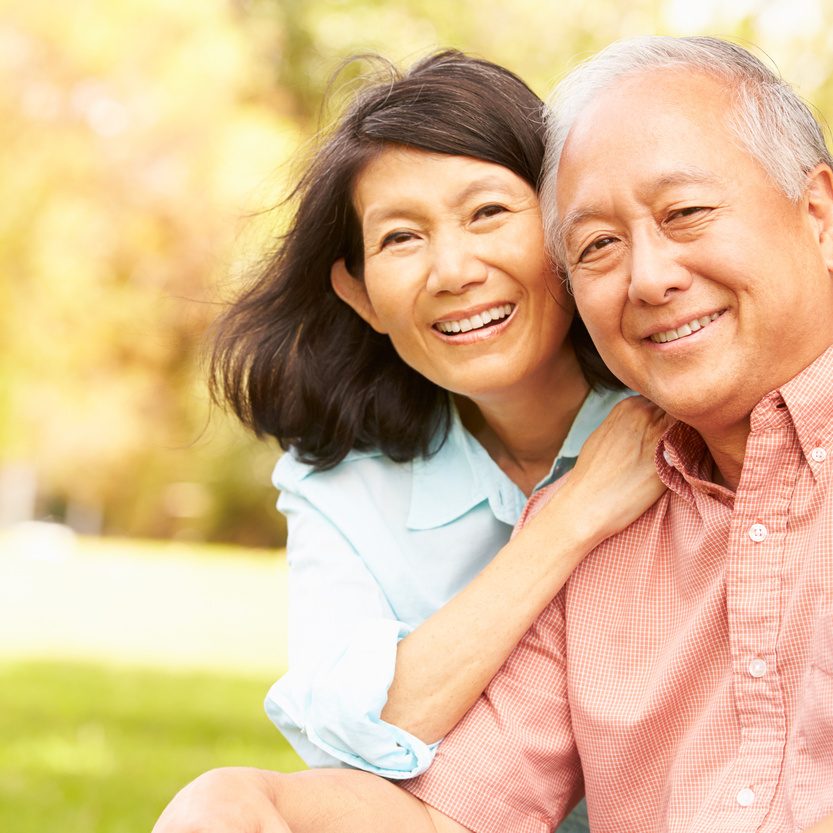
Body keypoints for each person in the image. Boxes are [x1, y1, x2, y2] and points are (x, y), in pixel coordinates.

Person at [153, 35, 833, 833]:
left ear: (816, 212)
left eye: (684, 212)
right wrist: (246, 803)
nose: (648, 277)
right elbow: (458, 806)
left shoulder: (655, 434)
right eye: (600, 243)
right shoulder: (606, 524)